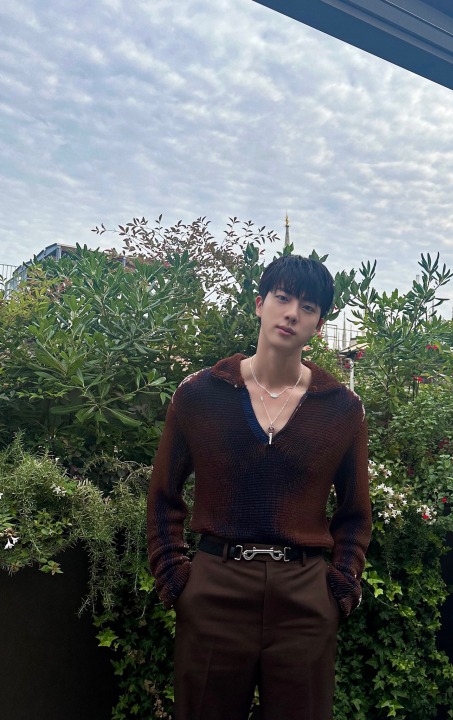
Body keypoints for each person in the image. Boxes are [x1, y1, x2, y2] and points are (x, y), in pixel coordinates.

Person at [147, 254, 371, 720]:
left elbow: (354, 514)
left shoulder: (342, 409)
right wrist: (174, 576)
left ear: (318, 325)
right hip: (215, 589)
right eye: (282, 298)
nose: (291, 313)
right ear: (259, 303)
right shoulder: (198, 394)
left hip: (305, 597)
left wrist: (341, 587)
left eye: (307, 307)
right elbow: (164, 495)